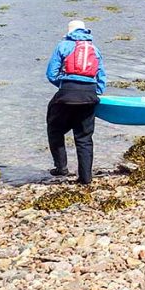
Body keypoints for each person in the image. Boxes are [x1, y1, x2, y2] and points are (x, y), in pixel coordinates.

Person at [45, 20, 105, 183]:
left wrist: (65, 86)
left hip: (66, 94)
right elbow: (101, 78)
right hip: (89, 96)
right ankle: (85, 178)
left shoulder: (63, 46)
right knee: (84, 138)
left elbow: (51, 74)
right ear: (85, 31)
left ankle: (61, 168)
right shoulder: (95, 49)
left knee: (54, 129)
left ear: (69, 31)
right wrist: (94, 93)